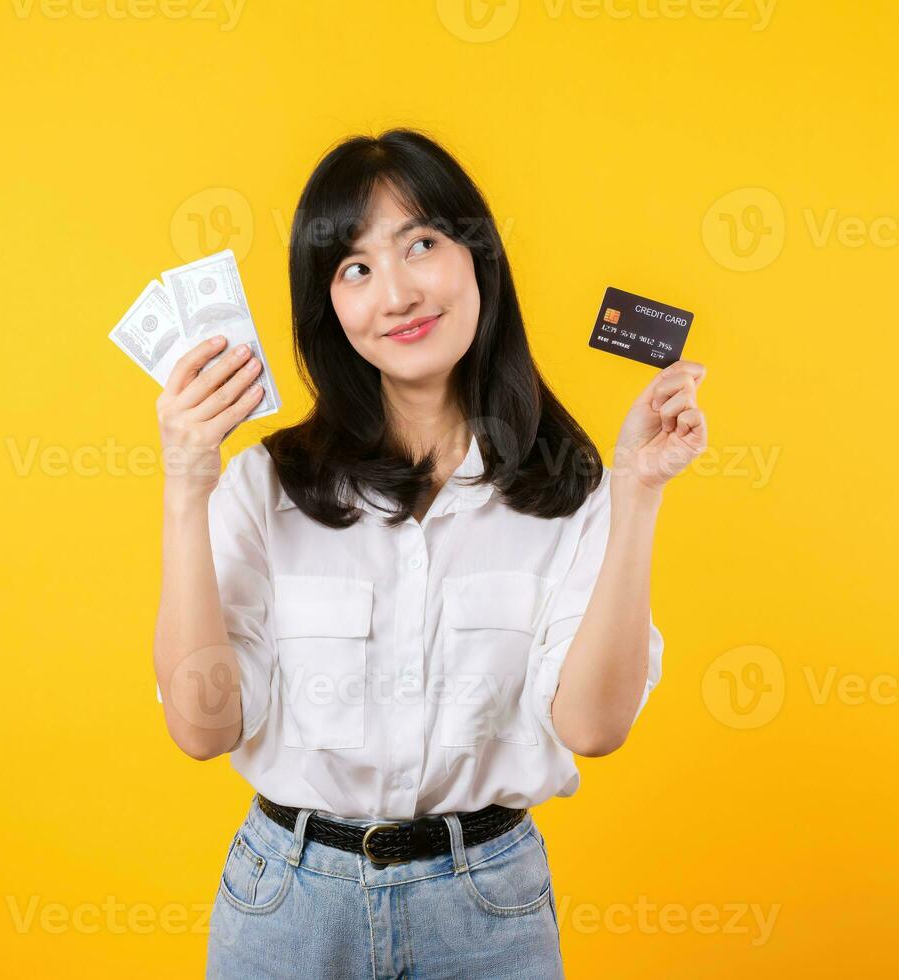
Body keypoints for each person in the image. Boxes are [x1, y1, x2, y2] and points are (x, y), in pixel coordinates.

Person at [151, 128, 708, 979]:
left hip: (487, 911)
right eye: (356, 268)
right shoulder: (267, 486)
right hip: (289, 910)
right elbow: (201, 730)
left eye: (421, 244)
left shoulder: (568, 488)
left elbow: (593, 728)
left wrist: (636, 491)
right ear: (328, 309)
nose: (398, 293)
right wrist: (187, 490)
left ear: (477, 258)